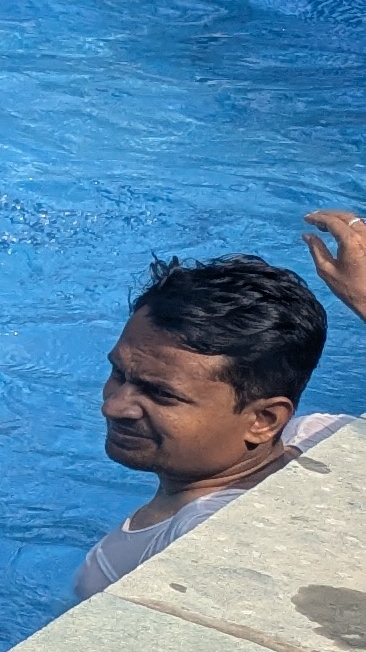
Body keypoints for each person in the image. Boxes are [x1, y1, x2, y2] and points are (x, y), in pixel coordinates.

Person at [74, 250, 346, 599]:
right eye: (119, 373)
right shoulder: (323, 433)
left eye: (160, 394)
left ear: (264, 421)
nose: (113, 407)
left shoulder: (208, 537)